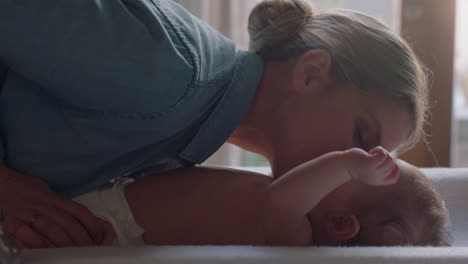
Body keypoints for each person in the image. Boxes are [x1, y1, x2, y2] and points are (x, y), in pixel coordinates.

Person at [0, 0, 428, 248]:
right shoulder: (165, 75)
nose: (357, 168)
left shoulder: (186, 138)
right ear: (311, 73)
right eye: (361, 136)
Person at [17, 147, 448, 247]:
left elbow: (281, 202)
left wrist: (346, 163)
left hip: (103, 226)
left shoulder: (291, 231)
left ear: (339, 224)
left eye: (370, 172)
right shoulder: (285, 207)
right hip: (108, 199)